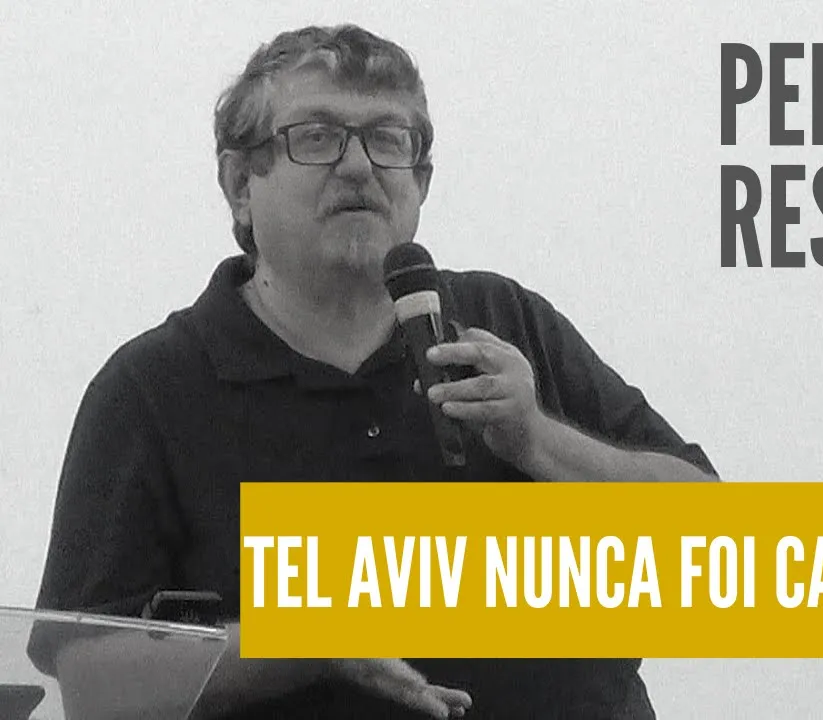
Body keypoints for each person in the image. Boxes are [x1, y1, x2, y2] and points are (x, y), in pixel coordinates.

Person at [30, 23, 718, 719]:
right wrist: (309, 639)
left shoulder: (507, 320)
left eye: (388, 139)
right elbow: (91, 686)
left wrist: (538, 439)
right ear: (240, 185)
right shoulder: (152, 388)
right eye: (317, 136)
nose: (358, 166)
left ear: (421, 182)